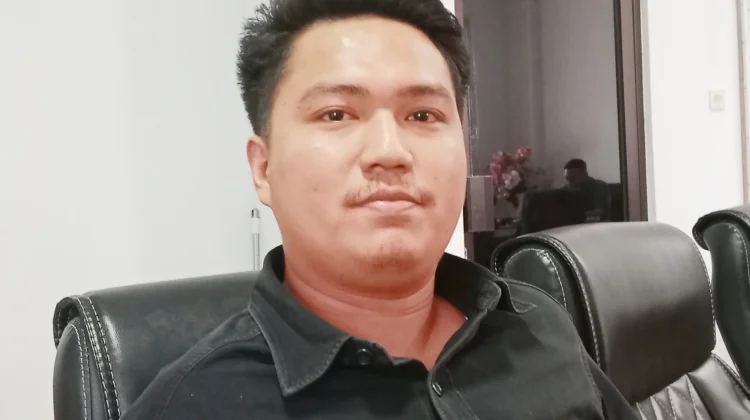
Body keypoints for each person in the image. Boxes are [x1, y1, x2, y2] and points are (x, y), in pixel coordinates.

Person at [122, 1, 638, 418]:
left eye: (423, 114)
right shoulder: (191, 405)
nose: (390, 151)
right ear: (264, 168)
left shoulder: (536, 325)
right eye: (336, 114)